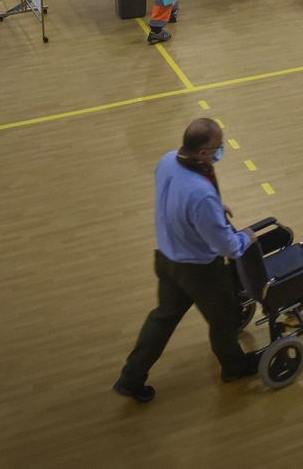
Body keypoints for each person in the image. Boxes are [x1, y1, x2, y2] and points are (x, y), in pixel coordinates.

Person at [113, 117, 261, 403]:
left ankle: (130, 377)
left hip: (167, 259)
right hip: (200, 271)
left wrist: (215, 207)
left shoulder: (168, 160)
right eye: (219, 146)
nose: (222, 150)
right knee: (223, 320)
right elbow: (227, 247)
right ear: (204, 153)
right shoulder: (201, 194)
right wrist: (248, 237)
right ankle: (234, 367)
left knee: (163, 317)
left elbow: (177, 198)